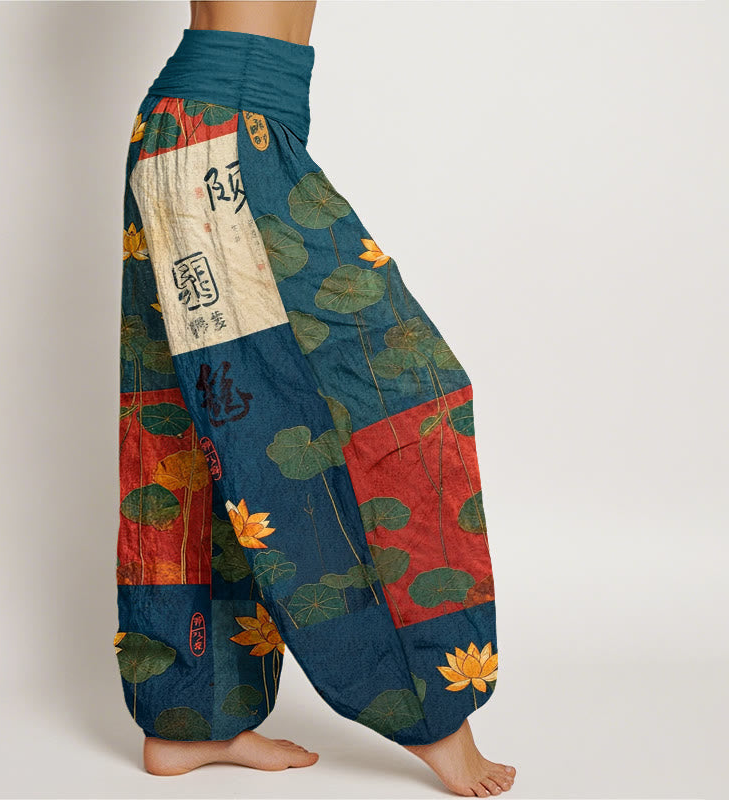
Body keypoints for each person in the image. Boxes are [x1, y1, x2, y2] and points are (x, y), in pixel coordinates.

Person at [115, 2, 517, 796]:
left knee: (205, 429)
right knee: (387, 396)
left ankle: (188, 717)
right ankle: (431, 712)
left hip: (220, 130)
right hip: (222, 132)